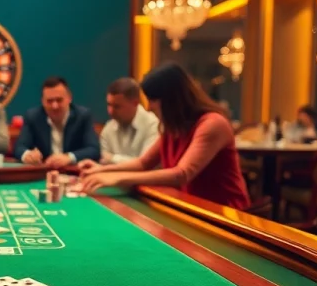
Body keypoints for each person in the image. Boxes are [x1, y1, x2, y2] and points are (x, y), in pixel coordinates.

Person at [80, 63, 250, 210]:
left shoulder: (212, 124)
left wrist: (116, 179)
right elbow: (143, 163)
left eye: (153, 100)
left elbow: (181, 174)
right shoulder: (173, 127)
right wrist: (99, 170)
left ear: (172, 99)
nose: (149, 107)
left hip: (226, 214)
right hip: (192, 208)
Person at [14, 76, 99, 168]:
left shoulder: (83, 116)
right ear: (42, 102)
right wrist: (27, 155)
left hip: (73, 172)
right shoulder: (33, 117)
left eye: (59, 100)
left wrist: (69, 157)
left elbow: (93, 150)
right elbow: (19, 148)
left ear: (69, 98)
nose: (55, 106)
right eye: (49, 101)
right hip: (44, 173)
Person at [83, 77, 159, 167]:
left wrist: (112, 158)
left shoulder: (154, 125)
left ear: (135, 103)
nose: (110, 111)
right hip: (113, 179)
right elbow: (104, 161)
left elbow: (146, 164)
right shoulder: (109, 128)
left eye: (117, 106)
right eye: (109, 105)